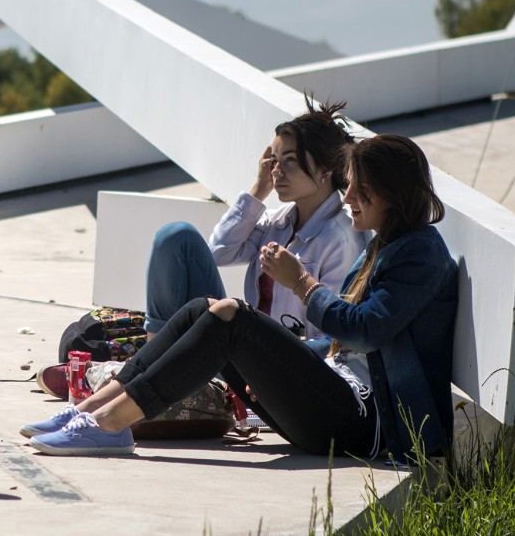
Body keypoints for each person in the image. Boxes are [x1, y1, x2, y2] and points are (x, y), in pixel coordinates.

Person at [23, 134, 458, 465]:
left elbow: (365, 331)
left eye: (361, 189)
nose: (348, 198)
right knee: (204, 309)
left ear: (392, 191)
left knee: (231, 318)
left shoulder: (421, 252)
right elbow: (345, 344)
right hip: (340, 401)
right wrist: (279, 363)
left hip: (371, 423)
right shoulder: (387, 244)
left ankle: (112, 425)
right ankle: (89, 410)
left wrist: (302, 284)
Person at [38, 97, 367, 398]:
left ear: (326, 169)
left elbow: (335, 338)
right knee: (176, 237)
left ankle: (138, 379)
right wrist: (257, 189)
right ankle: (147, 367)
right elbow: (217, 252)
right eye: (274, 160)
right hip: (240, 346)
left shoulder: (340, 239)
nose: (277, 170)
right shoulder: (280, 220)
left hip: (275, 366)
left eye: (290, 161)